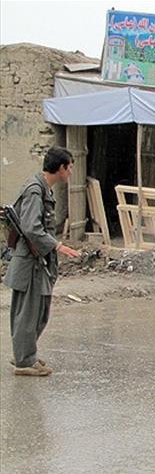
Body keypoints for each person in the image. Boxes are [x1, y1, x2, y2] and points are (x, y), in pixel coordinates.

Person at [4, 147, 81, 376]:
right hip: (30, 263)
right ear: (61, 168)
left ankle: (26, 354)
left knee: (39, 313)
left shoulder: (43, 189)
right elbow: (31, 228)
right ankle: (24, 362)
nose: (71, 172)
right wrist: (58, 246)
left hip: (38, 261)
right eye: (70, 167)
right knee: (28, 314)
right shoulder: (35, 191)